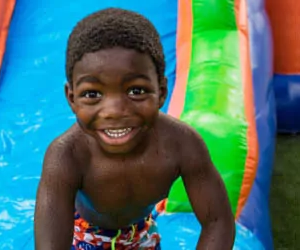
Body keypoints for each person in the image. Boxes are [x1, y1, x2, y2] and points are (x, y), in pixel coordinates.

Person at [34, 7, 235, 250]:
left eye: (136, 91)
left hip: (140, 233)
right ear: (72, 98)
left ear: (161, 92)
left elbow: (218, 220)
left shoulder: (182, 144)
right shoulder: (66, 156)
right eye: (92, 94)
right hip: (84, 236)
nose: (115, 110)